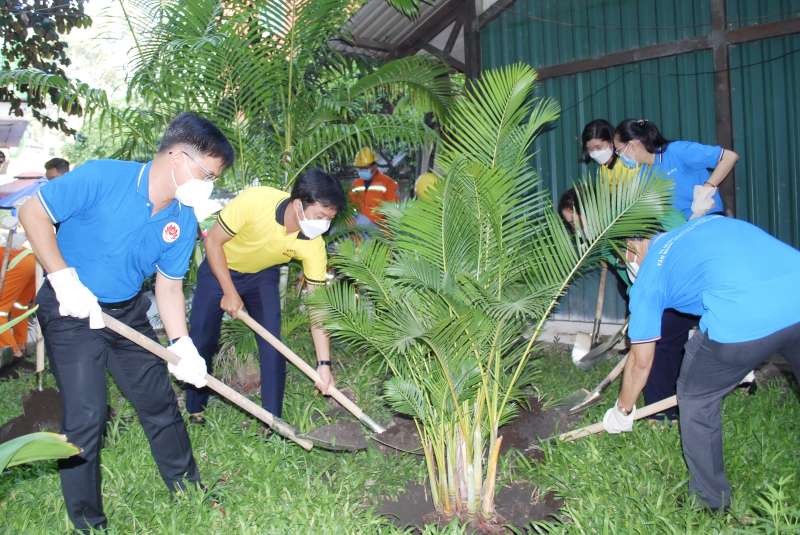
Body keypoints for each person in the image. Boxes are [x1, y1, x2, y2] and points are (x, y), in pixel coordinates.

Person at [18, 112, 234, 532]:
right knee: (86, 414)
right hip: (70, 308)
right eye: (205, 173)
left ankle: (189, 490)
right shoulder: (103, 177)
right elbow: (32, 213)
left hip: (126, 312)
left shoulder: (182, 219)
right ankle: (88, 521)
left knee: (159, 403)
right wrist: (63, 278)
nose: (207, 184)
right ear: (176, 155)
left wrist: (181, 343)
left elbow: (169, 287)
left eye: (213, 177)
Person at [602, 215, 800, 512]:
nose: (626, 265)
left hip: (742, 323)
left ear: (632, 246)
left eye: (623, 258)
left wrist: (622, 410)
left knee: (695, 397)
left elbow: (641, 362)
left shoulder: (648, 280)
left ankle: (709, 502)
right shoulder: (704, 224)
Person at [185, 168, 344, 424]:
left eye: (329, 219)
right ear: (298, 205)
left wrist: (324, 363)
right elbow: (212, 242)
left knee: (272, 343)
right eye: (320, 216)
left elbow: (318, 309)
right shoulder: (255, 202)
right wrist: (229, 291)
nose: (323, 225)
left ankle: (272, 420)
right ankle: (195, 405)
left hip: (261, 275)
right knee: (202, 336)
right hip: (220, 268)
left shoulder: (314, 245)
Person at [558, 185, 696, 420]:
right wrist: (639, 305)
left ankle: (659, 412)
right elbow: (627, 276)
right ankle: (671, 404)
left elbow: (680, 236)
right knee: (668, 345)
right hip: (653, 293)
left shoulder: (642, 215)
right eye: (572, 226)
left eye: (577, 222)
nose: (577, 230)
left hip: (682, 284)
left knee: (659, 346)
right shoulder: (602, 241)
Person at [613, 119, 739, 220]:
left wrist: (707, 188)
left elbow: (730, 157)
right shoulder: (643, 174)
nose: (620, 157)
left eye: (619, 151)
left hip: (709, 220)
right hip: (680, 231)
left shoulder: (677, 151)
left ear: (632, 144)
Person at [0, 245, 35, 359]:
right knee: (19, 307)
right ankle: (21, 345)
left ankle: (13, 352)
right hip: (32, 261)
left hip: (18, 264)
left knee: (0, 312)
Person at [349, 147, 398, 227]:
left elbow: (393, 209)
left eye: (365, 168)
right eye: (360, 168)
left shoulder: (388, 183)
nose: (362, 170)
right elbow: (351, 205)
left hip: (380, 227)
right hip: (359, 226)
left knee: (362, 221)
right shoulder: (356, 184)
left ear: (374, 166)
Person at [581, 119, 638, 186]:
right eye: (590, 149)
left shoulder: (628, 164)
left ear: (611, 141)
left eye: (598, 147)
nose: (595, 153)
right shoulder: (603, 170)